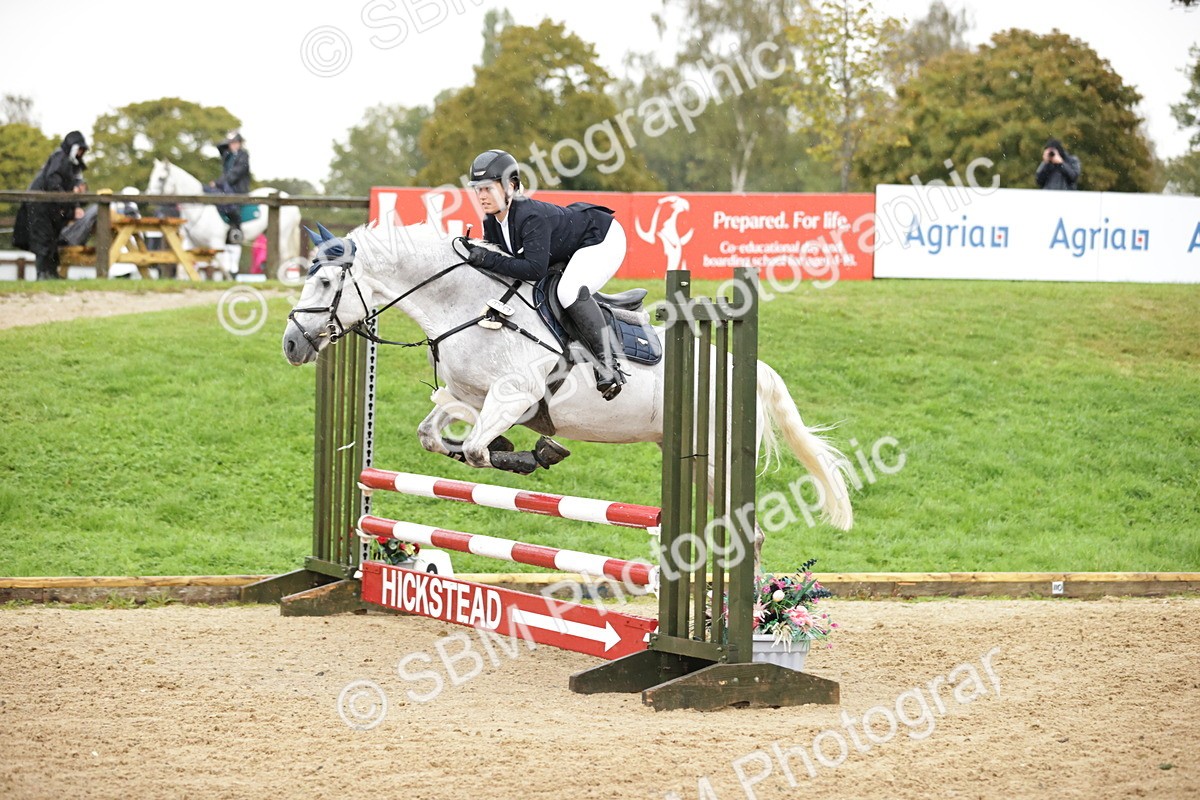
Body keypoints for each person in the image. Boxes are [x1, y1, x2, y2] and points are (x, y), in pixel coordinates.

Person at [459, 149, 628, 400]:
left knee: (568, 290)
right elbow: (503, 269)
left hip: (601, 238)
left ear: (511, 186)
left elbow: (533, 270)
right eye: (478, 189)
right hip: (570, 242)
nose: (482, 196)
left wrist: (488, 258)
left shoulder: (530, 215)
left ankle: (608, 363)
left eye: (488, 188)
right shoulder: (491, 222)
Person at [14, 131, 88, 279]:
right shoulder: (60, 158)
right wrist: (69, 195)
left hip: (51, 207)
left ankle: (52, 274)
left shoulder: (72, 165)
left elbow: (72, 187)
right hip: (40, 205)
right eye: (79, 149)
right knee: (43, 239)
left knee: (52, 240)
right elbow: (53, 182)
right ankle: (42, 274)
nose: (81, 153)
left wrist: (75, 198)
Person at [207, 131, 251, 243]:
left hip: (237, 188)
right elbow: (219, 147)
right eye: (231, 143)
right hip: (227, 185)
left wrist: (218, 183)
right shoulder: (228, 155)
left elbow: (234, 174)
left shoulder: (243, 155)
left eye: (235, 142)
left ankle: (237, 228)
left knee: (229, 202)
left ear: (239, 143)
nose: (232, 145)